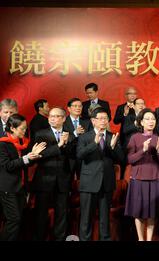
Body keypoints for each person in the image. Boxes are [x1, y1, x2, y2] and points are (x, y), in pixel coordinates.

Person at [76, 108, 124, 241]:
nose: (104, 121)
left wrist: (113, 147)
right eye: (100, 118)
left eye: (105, 118)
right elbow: (79, 155)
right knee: (86, 218)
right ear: (93, 120)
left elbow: (121, 158)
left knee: (105, 218)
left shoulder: (112, 136)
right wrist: (94, 144)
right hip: (89, 183)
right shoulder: (84, 137)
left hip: (107, 182)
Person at [0, 114, 46, 241]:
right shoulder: (3, 144)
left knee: (20, 219)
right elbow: (8, 166)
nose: (24, 131)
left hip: (20, 186)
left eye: (25, 128)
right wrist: (27, 158)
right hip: (7, 188)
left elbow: (24, 163)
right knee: (14, 219)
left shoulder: (22, 143)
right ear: (12, 128)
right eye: (22, 128)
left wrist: (34, 156)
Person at [32, 107, 75, 241]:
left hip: (63, 179)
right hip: (44, 179)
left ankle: (59, 238)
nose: (52, 118)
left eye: (56, 116)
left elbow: (73, 156)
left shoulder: (70, 135)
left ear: (63, 119)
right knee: (41, 214)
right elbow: (39, 155)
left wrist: (66, 144)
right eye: (51, 116)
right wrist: (59, 145)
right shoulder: (41, 134)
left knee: (61, 213)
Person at [125, 109, 159, 241]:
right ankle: (141, 239)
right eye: (147, 119)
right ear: (141, 122)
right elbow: (130, 159)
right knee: (139, 212)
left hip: (155, 177)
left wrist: (158, 151)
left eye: (153, 119)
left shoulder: (158, 138)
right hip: (139, 177)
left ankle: (149, 239)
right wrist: (143, 150)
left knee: (152, 212)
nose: (150, 121)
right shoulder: (135, 137)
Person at [63, 98, 92, 179]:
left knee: (83, 181)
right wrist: (75, 133)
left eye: (80, 106)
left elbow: (91, 137)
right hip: (68, 157)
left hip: (83, 157)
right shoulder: (63, 122)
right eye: (75, 106)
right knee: (67, 182)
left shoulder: (87, 122)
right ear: (69, 108)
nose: (78, 108)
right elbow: (62, 139)